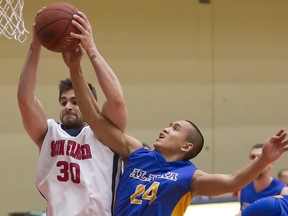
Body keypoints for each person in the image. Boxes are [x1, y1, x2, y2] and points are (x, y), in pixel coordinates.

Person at [67, 12, 288, 216]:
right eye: (169, 125)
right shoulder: (136, 152)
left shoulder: (190, 177)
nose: (166, 129)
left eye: (175, 129)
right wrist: (75, 66)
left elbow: (231, 182)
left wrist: (264, 160)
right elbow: (95, 119)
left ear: (186, 146)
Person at [17, 9, 127, 216]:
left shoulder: (105, 134)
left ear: (89, 103)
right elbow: (25, 100)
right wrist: (36, 45)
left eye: (76, 102)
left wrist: (90, 48)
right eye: (63, 101)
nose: (68, 106)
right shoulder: (48, 133)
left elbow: (117, 101)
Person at [239, 143, 288, 210]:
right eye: (252, 157)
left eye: (260, 157)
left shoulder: (283, 192)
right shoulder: (243, 188)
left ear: (271, 163)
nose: (255, 161)